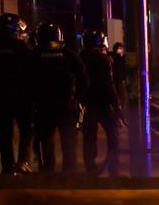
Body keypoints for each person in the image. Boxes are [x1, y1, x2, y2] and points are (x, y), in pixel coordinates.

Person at [31, 23, 87, 172]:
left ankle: (47, 173)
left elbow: (26, 82)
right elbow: (83, 80)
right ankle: (69, 174)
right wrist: (78, 99)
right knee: (68, 143)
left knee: (45, 141)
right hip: (67, 106)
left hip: (43, 108)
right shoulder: (69, 55)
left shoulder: (33, 56)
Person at [0, 13, 35, 174]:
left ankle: (7, 166)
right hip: (21, 96)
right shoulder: (21, 47)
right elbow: (34, 69)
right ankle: (23, 161)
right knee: (26, 129)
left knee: (5, 134)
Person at [79, 29, 123, 176]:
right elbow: (108, 83)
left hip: (87, 103)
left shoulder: (80, 56)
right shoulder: (102, 58)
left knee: (89, 137)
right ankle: (113, 168)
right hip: (103, 103)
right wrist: (116, 104)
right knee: (113, 135)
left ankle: (90, 166)